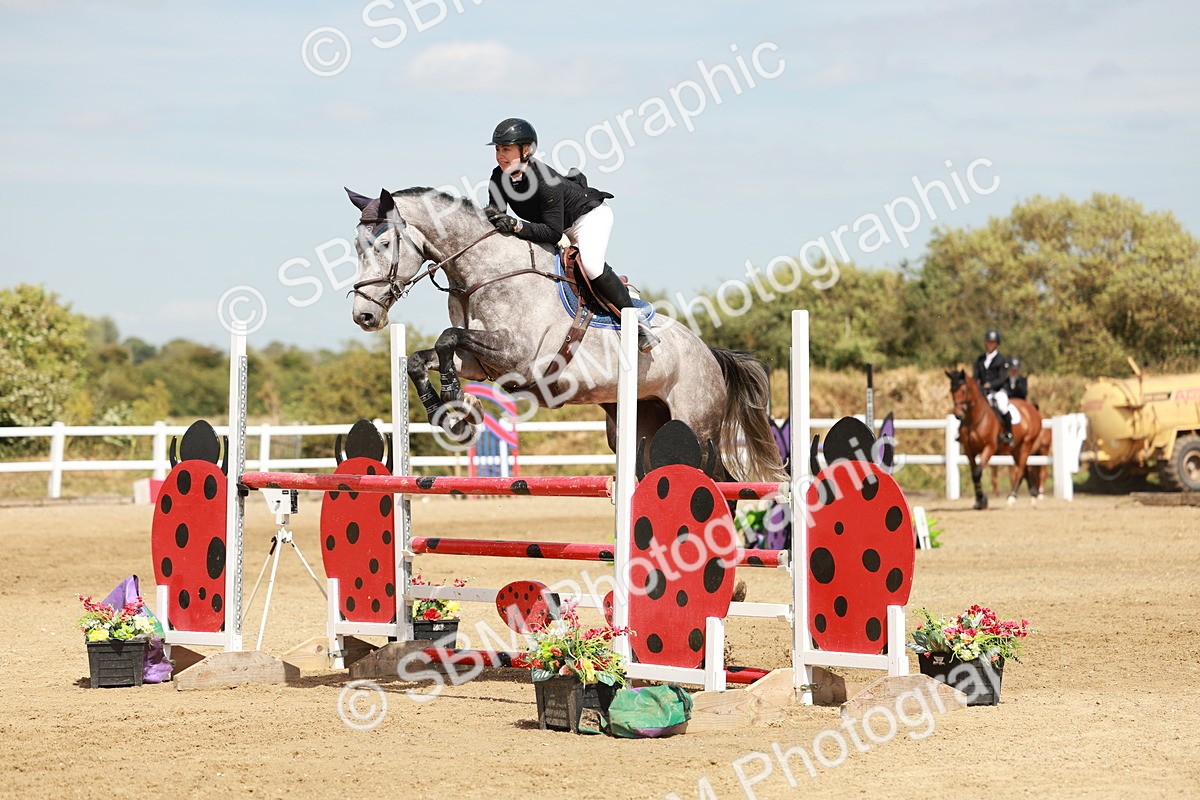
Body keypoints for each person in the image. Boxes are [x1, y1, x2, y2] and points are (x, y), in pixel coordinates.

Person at [481, 117, 659, 352]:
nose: (500, 155)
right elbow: (498, 218)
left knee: (592, 265)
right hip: (557, 225)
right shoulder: (498, 177)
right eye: (497, 149)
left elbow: (552, 232)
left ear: (526, 151)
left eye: (506, 149)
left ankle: (637, 325)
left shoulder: (545, 180)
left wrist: (515, 226)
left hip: (588, 218)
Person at [973, 329, 1012, 445]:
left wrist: (990, 385)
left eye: (993, 342)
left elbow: (1002, 378)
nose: (990, 344)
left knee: (1001, 406)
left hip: (998, 390)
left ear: (997, 344)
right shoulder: (980, 360)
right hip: (983, 391)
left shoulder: (1002, 360)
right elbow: (976, 376)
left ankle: (1008, 433)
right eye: (988, 342)